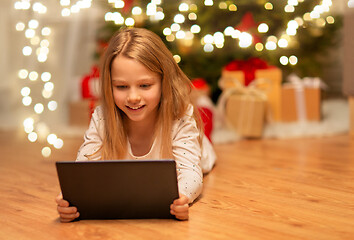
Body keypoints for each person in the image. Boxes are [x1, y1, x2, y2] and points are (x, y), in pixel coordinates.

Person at [56, 27, 216, 222]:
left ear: (164, 82)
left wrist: (181, 198)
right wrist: (72, 198)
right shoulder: (102, 118)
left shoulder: (180, 118)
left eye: (145, 85)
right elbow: (84, 168)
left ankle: (205, 127)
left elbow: (191, 173)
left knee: (203, 152)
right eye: (122, 87)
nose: (133, 97)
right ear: (109, 85)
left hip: (197, 153)